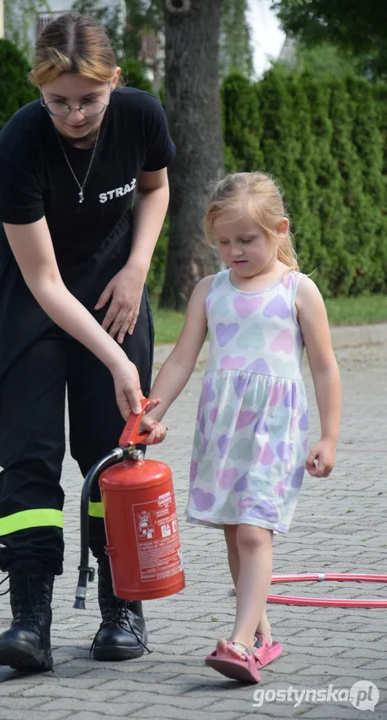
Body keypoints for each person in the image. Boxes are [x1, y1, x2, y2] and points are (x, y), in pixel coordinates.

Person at [0, 12, 175, 673]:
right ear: (39, 92)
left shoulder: (141, 116)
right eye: (57, 101)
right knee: (29, 458)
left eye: (88, 100)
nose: (75, 115)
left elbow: (154, 186)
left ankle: (121, 607)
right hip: (36, 305)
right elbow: (40, 277)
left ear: (113, 82)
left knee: (112, 456)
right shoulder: (19, 144)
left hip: (113, 293)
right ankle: (30, 618)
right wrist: (116, 360)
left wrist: (136, 269)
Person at [140, 172, 342, 683]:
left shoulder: (299, 291)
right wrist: (151, 413)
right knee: (235, 533)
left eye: (246, 239)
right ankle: (263, 636)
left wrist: (330, 435)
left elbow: (324, 366)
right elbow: (183, 359)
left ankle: (240, 641)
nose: (235, 250)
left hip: (273, 432)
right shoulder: (211, 290)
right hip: (222, 431)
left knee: (254, 533)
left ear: (279, 229)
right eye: (224, 241)